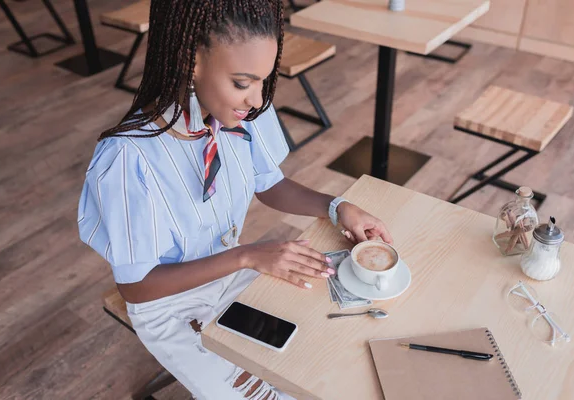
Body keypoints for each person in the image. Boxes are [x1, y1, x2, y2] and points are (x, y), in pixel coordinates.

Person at [77, 1, 393, 399]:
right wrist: (247, 256)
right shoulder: (128, 159)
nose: (256, 99)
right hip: (170, 304)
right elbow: (137, 287)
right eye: (243, 83)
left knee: (320, 356)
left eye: (263, 81)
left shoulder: (239, 111)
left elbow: (269, 185)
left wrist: (337, 207)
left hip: (230, 273)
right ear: (190, 59)